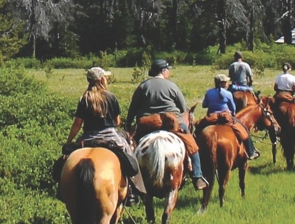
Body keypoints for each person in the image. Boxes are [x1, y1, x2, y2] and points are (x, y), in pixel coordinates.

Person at [128, 59, 209, 190]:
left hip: (148, 123)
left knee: (131, 148)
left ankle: (131, 182)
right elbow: (183, 108)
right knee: (192, 145)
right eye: (168, 69)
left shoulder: (143, 86)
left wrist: (128, 126)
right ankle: (197, 176)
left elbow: (133, 108)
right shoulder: (172, 86)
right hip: (172, 123)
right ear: (164, 71)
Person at [64, 67, 145, 198]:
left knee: (66, 160)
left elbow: (77, 124)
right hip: (110, 136)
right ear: (101, 79)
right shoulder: (110, 97)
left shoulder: (84, 98)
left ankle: (62, 189)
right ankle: (132, 190)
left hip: (88, 136)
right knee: (129, 156)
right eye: (105, 77)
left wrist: (69, 142)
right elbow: (117, 121)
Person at [200, 73, 258, 160]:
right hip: (225, 117)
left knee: (198, 129)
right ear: (222, 83)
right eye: (226, 82)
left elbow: (204, 105)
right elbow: (233, 108)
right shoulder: (228, 93)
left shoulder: (209, 92)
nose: (228, 83)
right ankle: (250, 152)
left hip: (211, 116)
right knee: (244, 129)